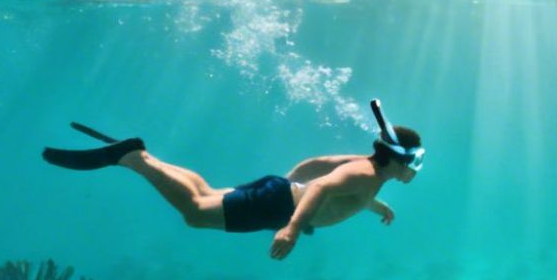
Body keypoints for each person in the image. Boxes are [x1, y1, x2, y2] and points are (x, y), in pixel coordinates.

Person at [42, 101, 421, 260]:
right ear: (398, 158)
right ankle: (133, 159)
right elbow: (322, 186)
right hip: (279, 206)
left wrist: (374, 206)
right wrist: (292, 226)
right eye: (415, 161)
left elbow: (316, 166)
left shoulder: (367, 170)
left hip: (278, 194)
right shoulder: (364, 172)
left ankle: (142, 155)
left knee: (205, 194)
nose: (416, 170)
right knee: (194, 212)